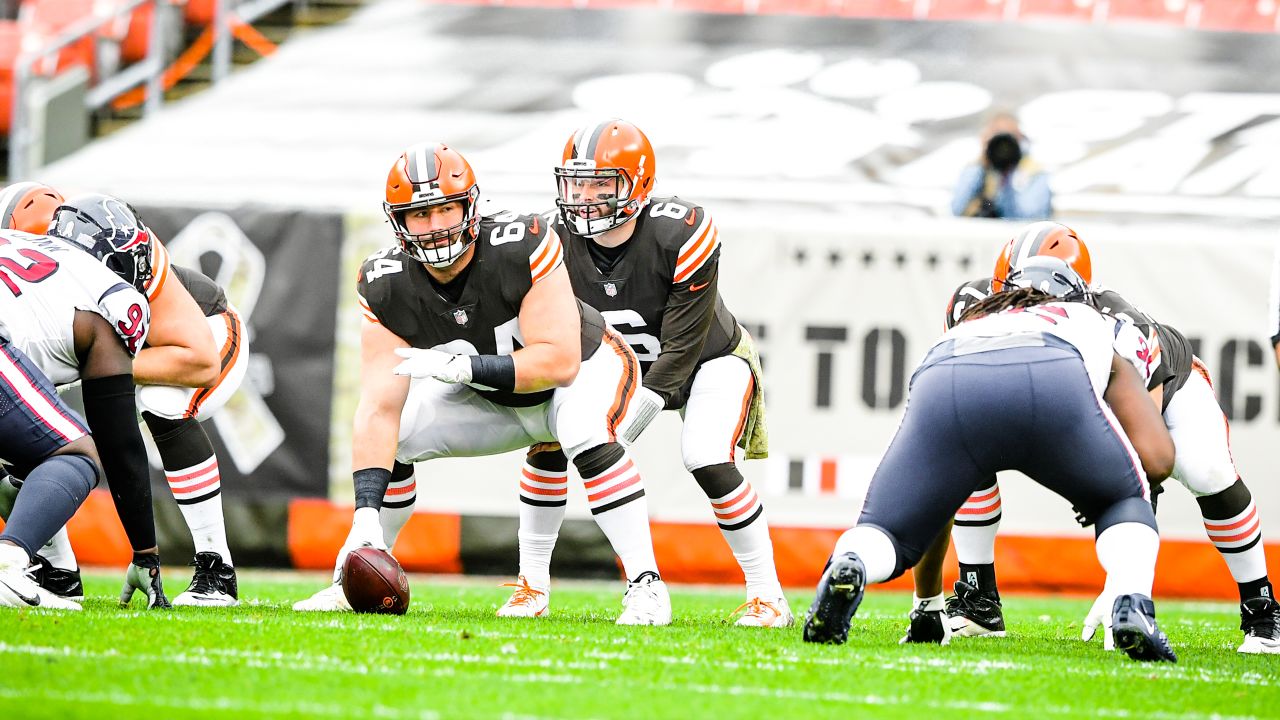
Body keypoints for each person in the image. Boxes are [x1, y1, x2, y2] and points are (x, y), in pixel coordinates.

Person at [292, 142, 671, 625]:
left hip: (588, 367)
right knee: (399, 436)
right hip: (495, 397)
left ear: (470, 206)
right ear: (398, 222)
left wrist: (466, 369)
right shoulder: (384, 282)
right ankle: (355, 572)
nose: (435, 226)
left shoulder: (521, 243)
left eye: (445, 209)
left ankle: (645, 584)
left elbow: (559, 362)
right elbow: (378, 408)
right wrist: (364, 513)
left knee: (581, 427)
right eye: (419, 215)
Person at [911, 222, 1279, 655]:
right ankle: (978, 601)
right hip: (1060, 395)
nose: (1026, 309)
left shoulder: (1118, 329)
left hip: (1161, 391)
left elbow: (1146, 457)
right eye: (1015, 293)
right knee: (969, 439)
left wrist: (1125, 584)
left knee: (1204, 469)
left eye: (1040, 298)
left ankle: (1262, 606)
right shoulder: (971, 308)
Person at [803, 257, 1178, 663]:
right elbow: (1157, 460)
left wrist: (928, 606)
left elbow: (938, 508)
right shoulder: (1087, 320)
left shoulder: (970, 322)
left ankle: (853, 563)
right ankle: (1131, 601)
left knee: (886, 529)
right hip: (1051, 374)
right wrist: (1102, 488)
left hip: (944, 375)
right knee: (1124, 499)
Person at [492, 119, 786, 626]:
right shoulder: (550, 239)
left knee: (706, 457)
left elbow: (680, 350)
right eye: (575, 184)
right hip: (608, 364)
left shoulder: (680, 231)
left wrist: (622, 430)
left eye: (601, 184)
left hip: (704, 359)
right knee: (549, 442)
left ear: (638, 183)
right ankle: (531, 586)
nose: (584, 198)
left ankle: (768, 595)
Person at [0, 187, 246, 607]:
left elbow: (200, 360)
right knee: (28, 442)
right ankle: (56, 571)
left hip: (203, 335)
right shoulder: (55, 261)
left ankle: (216, 567)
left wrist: (92, 371)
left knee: (162, 404)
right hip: (96, 341)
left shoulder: (118, 246)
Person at [0, 228, 163, 609]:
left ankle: (53, 568)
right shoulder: (109, 295)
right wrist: (146, 552)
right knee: (78, 454)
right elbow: (118, 440)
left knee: (23, 455)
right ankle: (9, 562)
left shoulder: (19, 241)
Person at [950, 111, 1052, 221]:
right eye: (997, 135)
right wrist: (981, 166)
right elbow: (957, 209)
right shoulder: (977, 169)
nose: (1003, 147)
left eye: (1010, 136)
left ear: (1020, 138)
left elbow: (1029, 218)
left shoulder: (1034, 172)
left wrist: (1008, 177)